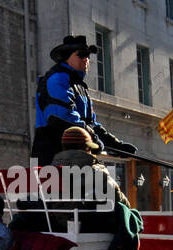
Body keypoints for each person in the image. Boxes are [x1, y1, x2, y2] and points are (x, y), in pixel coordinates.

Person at [32, 33, 136, 166]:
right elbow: (61, 117)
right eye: (81, 55)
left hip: (73, 157)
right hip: (50, 156)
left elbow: (91, 123)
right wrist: (93, 138)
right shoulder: (57, 78)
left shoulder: (79, 86)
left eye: (88, 55)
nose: (86, 59)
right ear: (66, 58)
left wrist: (116, 145)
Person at [50, 126, 130, 207]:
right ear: (87, 148)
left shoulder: (52, 172)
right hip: (93, 218)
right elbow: (119, 199)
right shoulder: (96, 172)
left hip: (59, 218)